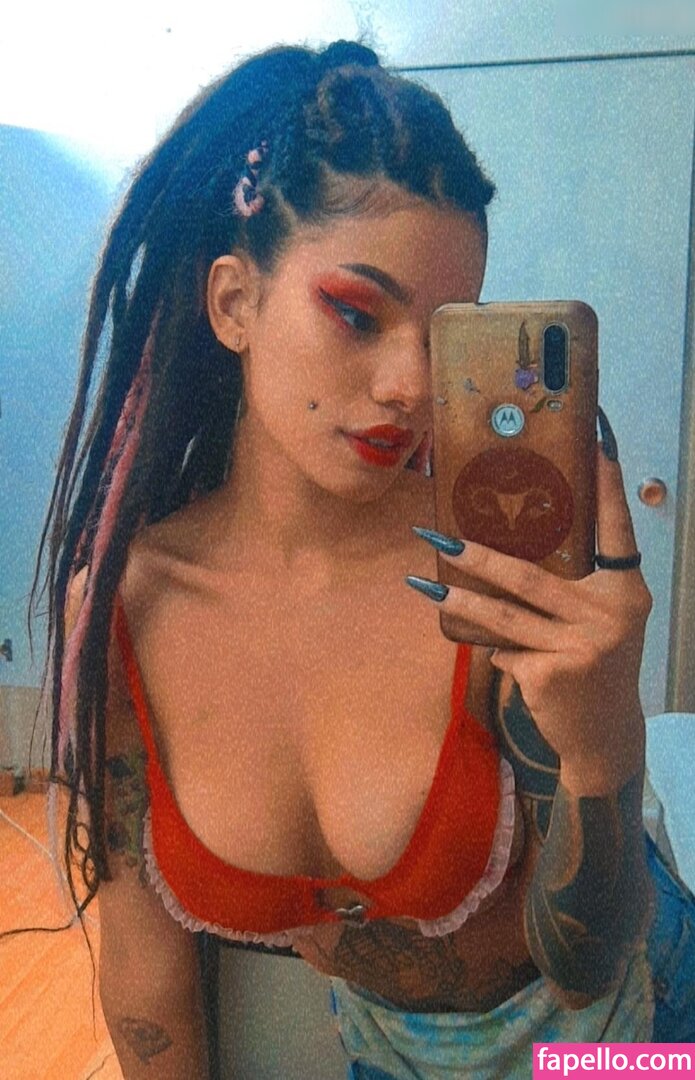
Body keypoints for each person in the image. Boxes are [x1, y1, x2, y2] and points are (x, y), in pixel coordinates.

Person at [31, 38, 692, 1080]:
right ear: (233, 303)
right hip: (387, 1055)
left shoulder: (486, 565)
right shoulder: (123, 609)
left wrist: (605, 744)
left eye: (443, 339)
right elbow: (146, 981)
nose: (408, 387)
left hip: (623, 1039)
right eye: (354, 312)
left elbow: (586, 965)